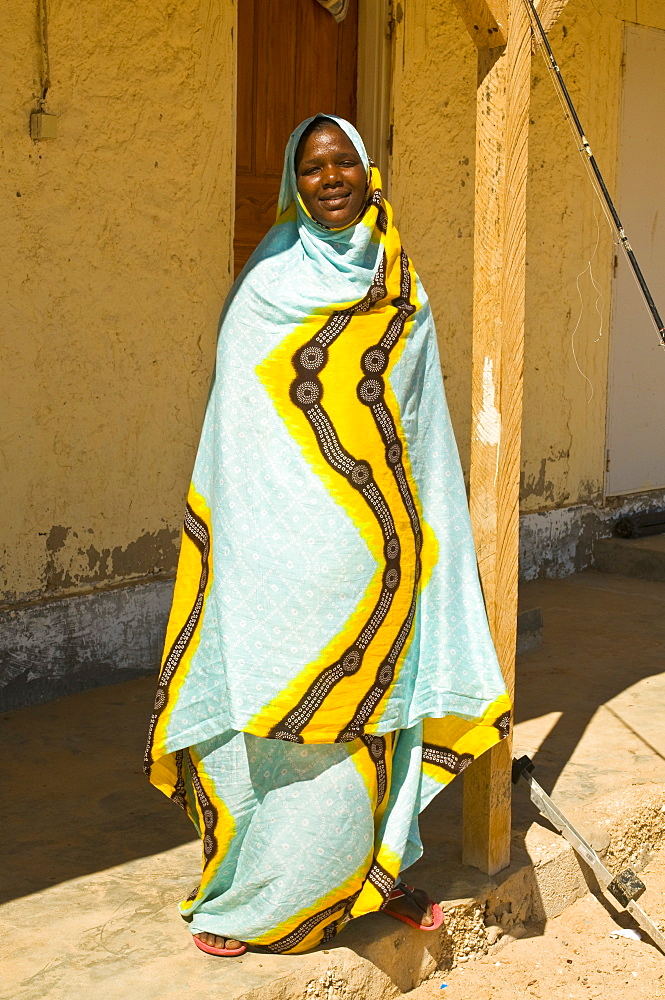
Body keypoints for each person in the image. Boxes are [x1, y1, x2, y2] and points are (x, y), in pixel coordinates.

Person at [144, 114, 510, 957]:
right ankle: (268, 893)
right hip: (280, 554)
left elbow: (417, 427)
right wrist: (248, 544)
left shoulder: (400, 283)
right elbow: (240, 429)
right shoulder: (266, 282)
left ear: (367, 170)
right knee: (286, 723)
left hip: (377, 553)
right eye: (312, 168)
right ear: (293, 183)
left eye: (343, 160)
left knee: (376, 721)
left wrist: (419, 540)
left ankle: (370, 875)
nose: (330, 177)